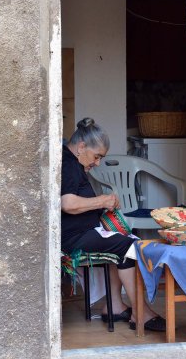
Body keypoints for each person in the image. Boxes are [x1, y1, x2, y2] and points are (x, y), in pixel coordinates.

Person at [61, 117, 166, 331]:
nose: (97, 162)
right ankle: (141, 313)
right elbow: (68, 203)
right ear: (81, 147)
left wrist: (102, 207)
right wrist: (101, 201)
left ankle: (116, 307)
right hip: (72, 238)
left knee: (124, 241)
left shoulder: (73, 162)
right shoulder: (69, 164)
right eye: (97, 156)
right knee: (127, 247)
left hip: (81, 232)